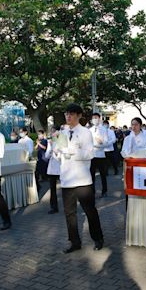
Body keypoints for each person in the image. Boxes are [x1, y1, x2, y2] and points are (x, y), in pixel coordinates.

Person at [59, 103, 104, 253]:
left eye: (71, 114)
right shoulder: (63, 133)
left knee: (90, 210)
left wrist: (70, 151)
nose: (68, 117)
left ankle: (98, 238)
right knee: (69, 213)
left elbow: (89, 154)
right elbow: (58, 154)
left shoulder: (85, 132)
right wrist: (57, 152)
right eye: (66, 114)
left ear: (79, 116)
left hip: (82, 179)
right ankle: (74, 242)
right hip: (66, 179)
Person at [89, 112, 109, 198]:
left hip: (100, 154)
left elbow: (106, 143)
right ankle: (92, 191)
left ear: (99, 118)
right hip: (92, 155)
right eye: (93, 118)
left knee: (102, 174)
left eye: (96, 118)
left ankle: (104, 190)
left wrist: (100, 143)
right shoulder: (89, 130)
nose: (95, 119)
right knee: (91, 174)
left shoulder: (103, 129)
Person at [44, 126, 61, 214]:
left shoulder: (62, 142)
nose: (52, 133)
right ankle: (53, 207)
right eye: (51, 132)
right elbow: (46, 156)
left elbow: (61, 157)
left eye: (54, 131)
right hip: (52, 168)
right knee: (52, 189)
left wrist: (55, 152)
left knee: (66, 188)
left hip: (61, 168)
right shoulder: (50, 142)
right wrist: (50, 147)